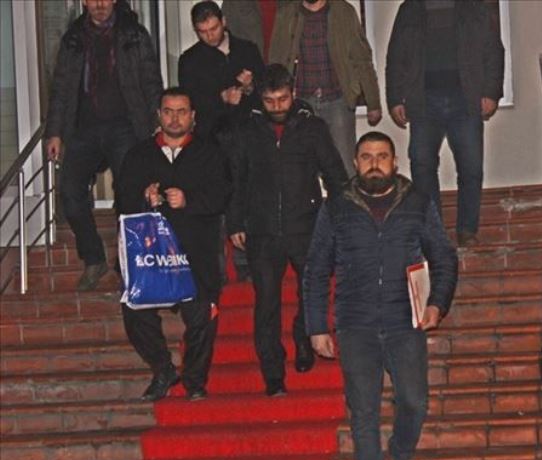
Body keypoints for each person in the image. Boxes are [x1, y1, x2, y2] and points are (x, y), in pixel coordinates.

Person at [303, 131, 458, 460]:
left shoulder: (417, 201)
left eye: (382, 156)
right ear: (356, 163)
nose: (374, 163)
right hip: (355, 325)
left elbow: (443, 256)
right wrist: (317, 326)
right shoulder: (336, 206)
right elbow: (316, 268)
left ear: (394, 162)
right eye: (367, 156)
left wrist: (437, 303)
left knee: (415, 402)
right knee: (363, 416)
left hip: (405, 321)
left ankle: (401, 453)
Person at [227, 63, 348, 396]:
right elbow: (237, 178)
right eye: (270, 101)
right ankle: (273, 373)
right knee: (266, 303)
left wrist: (339, 219)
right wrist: (235, 222)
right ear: (260, 98)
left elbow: (335, 175)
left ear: (293, 93)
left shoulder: (312, 127)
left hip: (306, 225)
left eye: (282, 99)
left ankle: (304, 340)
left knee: (310, 292)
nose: (277, 106)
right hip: (262, 229)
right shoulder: (247, 129)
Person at [116, 87, 231, 402]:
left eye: (181, 112)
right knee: (134, 312)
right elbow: (121, 199)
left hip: (196, 253)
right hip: (149, 256)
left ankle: (195, 381)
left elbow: (223, 194)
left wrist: (188, 201)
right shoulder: (139, 154)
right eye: (168, 111)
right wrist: (144, 198)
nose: (175, 118)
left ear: (193, 116)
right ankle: (163, 369)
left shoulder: (210, 152)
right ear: (159, 115)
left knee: (202, 317)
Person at [45, 0, 163, 291]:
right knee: (70, 192)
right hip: (83, 128)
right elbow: (60, 88)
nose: (99, 4)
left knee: (129, 195)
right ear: (84, 2)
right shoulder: (73, 38)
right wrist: (54, 132)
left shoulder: (134, 34)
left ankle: (127, 261)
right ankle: (93, 258)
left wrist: (157, 121)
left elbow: (151, 82)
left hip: (125, 126)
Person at [386, 0, 504, 247]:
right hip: (423, 101)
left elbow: (494, 52)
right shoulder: (409, 9)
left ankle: (467, 231)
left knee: (471, 168)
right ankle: (434, 233)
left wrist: (491, 92)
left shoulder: (475, 7)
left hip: (466, 99)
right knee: (422, 167)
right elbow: (395, 57)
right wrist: (395, 98)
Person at [269, 0, 382, 177]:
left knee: (344, 165)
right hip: (301, 103)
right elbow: (276, 58)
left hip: (338, 100)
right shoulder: (287, 14)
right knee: (302, 168)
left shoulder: (343, 12)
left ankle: (348, 196)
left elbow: (362, 59)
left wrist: (373, 101)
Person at [178, 1, 267, 143]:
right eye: (202, 32)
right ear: (195, 30)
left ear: (223, 21)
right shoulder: (189, 60)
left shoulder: (248, 50)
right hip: (210, 139)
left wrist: (250, 87)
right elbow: (188, 102)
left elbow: (266, 91)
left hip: (249, 136)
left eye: (214, 28)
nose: (210, 36)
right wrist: (222, 98)